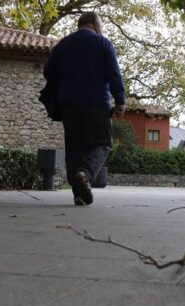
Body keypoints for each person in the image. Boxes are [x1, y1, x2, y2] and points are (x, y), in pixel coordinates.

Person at [43, 12, 125, 205]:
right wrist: (120, 101)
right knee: (102, 144)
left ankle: (79, 194)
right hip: (96, 103)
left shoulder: (62, 45)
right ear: (96, 25)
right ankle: (85, 174)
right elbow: (114, 74)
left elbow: (48, 72)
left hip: (68, 105)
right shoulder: (103, 43)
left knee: (74, 149)